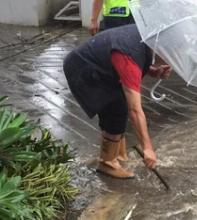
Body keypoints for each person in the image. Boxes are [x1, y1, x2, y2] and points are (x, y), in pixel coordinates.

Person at [63, 24, 172, 179]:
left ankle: (118, 155)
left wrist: (154, 72)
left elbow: (135, 58)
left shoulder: (144, 37)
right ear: (159, 45)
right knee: (117, 109)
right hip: (81, 68)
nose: (169, 59)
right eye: (169, 53)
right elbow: (135, 110)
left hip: (97, 62)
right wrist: (147, 148)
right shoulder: (129, 55)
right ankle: (107, 163)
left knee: (117, 105)